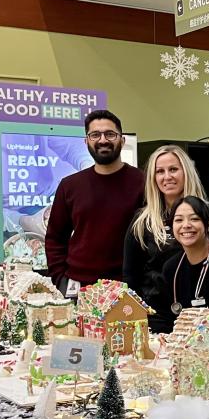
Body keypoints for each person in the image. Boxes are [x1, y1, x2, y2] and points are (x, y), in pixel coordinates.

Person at [44, 110, 144, 294]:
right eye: (95, 135)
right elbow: (55, 238)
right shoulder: (69, 186)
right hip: (80, 288)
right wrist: (60, 278)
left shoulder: (143, 183)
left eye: (110, 134)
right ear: (86, 141)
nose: (103, 140)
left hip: (129, 289)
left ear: (122, 140)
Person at [124, 145, 209, 333]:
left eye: (173, 169)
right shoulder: (142, 221)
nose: (167, 177)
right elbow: (131, 276)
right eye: (160, 171)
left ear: (186, 172)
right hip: (156, 317)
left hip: (207, 317)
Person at [155, 196, 209, 327]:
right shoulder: (171, 268)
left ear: (207, 224)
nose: (186, 225)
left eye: (194, 219)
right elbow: (164, 316)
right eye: (178, 220)